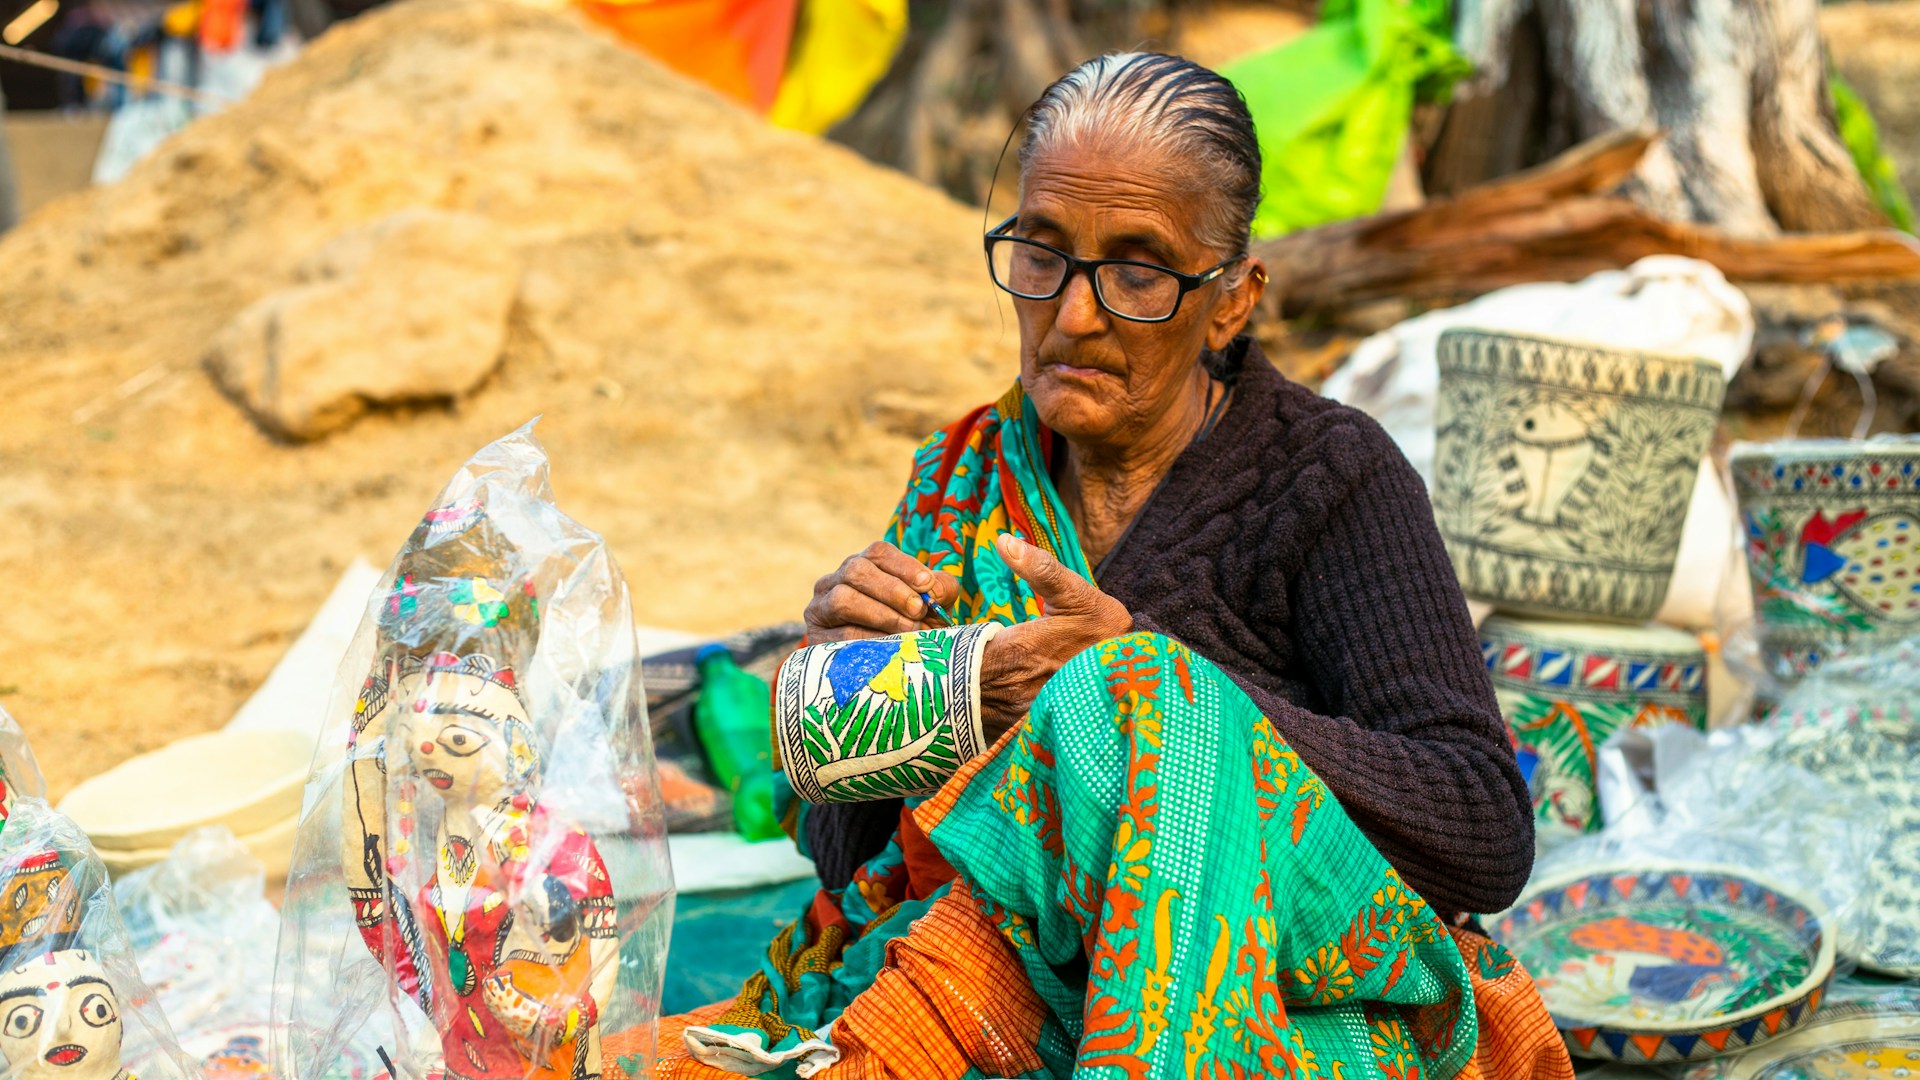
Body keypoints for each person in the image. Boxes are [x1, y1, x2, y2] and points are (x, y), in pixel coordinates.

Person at [642, 53, 1568, 1080]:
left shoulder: (1328, 477)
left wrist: (1137, 691)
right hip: (995, 984)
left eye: (1136, 273)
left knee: (1145, 696)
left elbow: (1481, 825)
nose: (1073, 315)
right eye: (1041, 255)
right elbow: (848, 860)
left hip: (1271, 1012)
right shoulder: (967, 477)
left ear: (1231, 299)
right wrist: (865, 687)